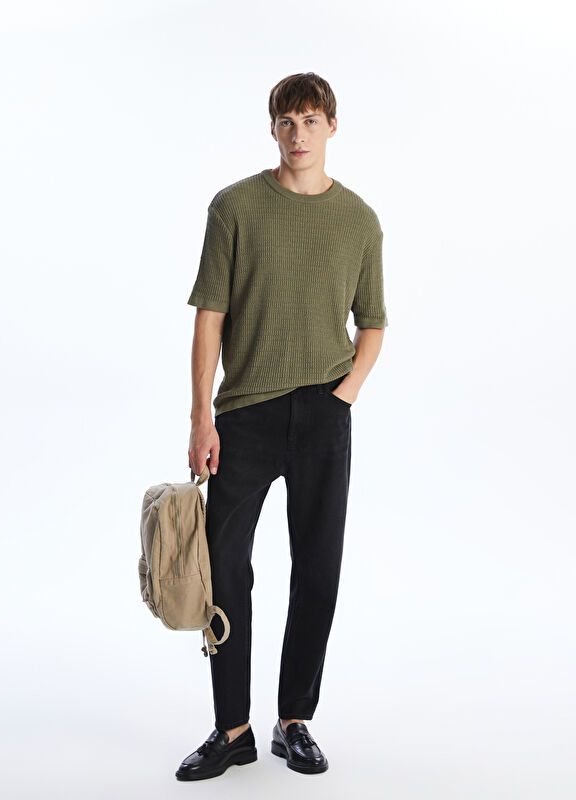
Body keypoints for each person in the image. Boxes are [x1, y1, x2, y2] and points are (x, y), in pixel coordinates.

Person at [176, 71, 388, 782]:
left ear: (332, 127)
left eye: (311, 120)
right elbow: (210, 317)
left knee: (317, 569)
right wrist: (201, 415)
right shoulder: (234, 207)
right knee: (223, 569)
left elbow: (373, 322)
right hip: (244, 414)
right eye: (287, 121)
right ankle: (231, 728)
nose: (299, 134)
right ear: (272, 128)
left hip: (324, 412)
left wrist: (343, 396)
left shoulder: (359, 220)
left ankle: (294, 720)